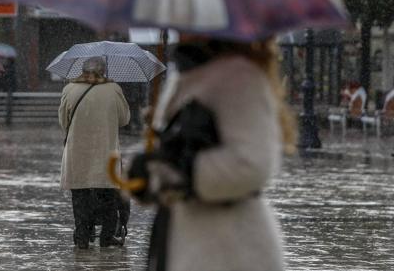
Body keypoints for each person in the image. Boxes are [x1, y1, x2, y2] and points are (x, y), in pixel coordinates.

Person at [126, 38, 295, 271]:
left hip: (231, 248)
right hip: (188, 240)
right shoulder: (184, 75)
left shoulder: (239, 77)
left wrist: (183, 170)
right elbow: (171, 160)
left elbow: (252, 163)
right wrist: (148, 174)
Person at [58, 57, 130, 249]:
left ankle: (82, 238)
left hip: (77, 152)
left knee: (80, 197)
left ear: (82, 70)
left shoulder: (70, 89)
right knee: (108, 196)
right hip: (105, 150)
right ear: (103, 71)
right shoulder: (113, 89)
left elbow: (63, 122)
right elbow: (124, 119)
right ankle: (106, 238)